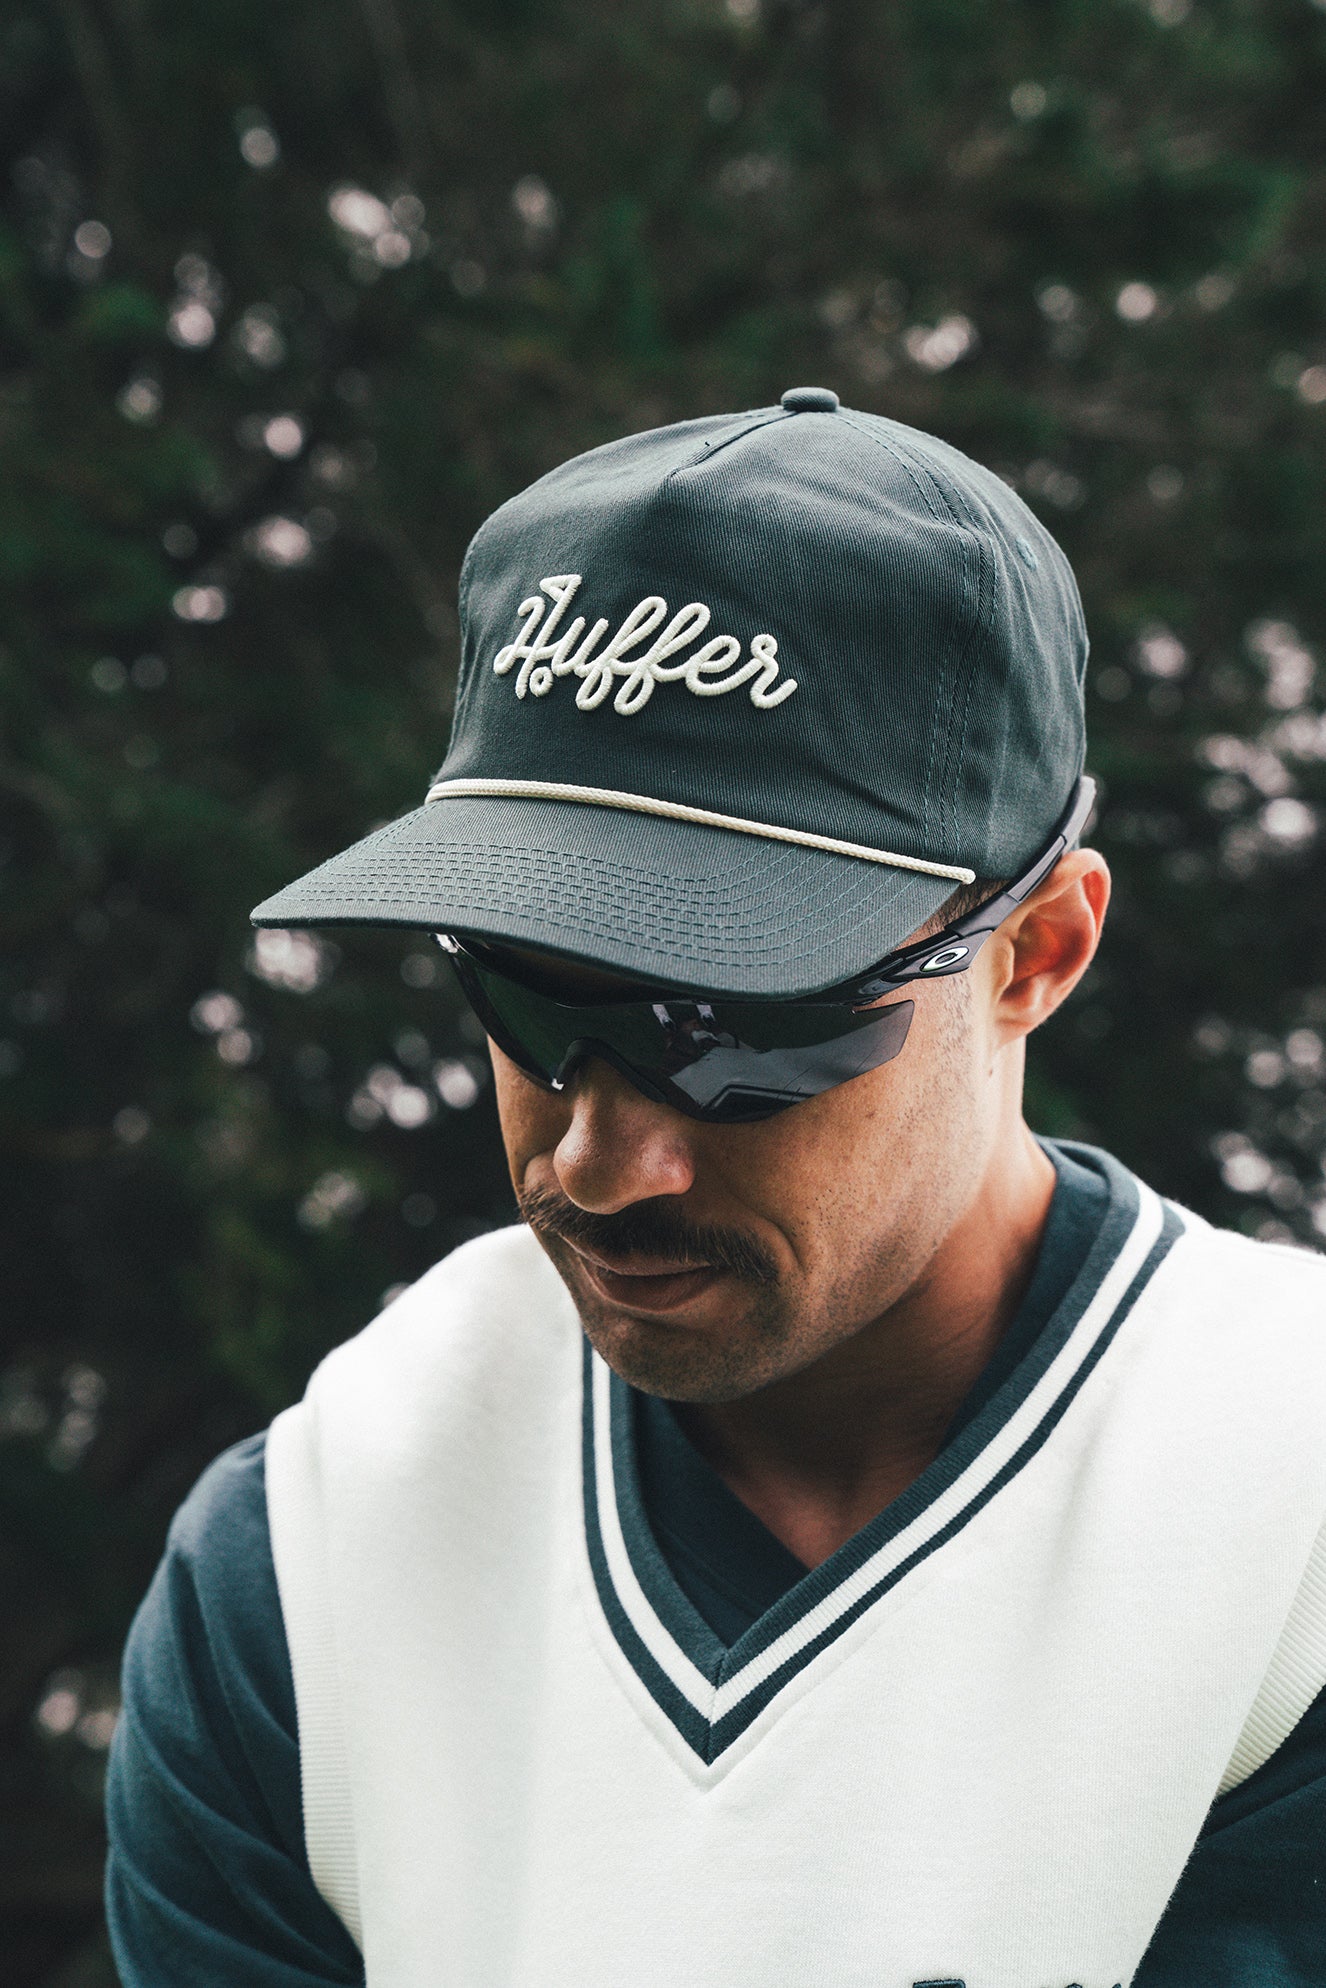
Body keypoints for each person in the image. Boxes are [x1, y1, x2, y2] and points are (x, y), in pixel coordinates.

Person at [106, 388, 1326, 1987]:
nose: (601, 1161)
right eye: (525, 998)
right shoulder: (304, 1568)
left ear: (1036, 952)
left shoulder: (1285, 1526)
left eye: (739, 1028)